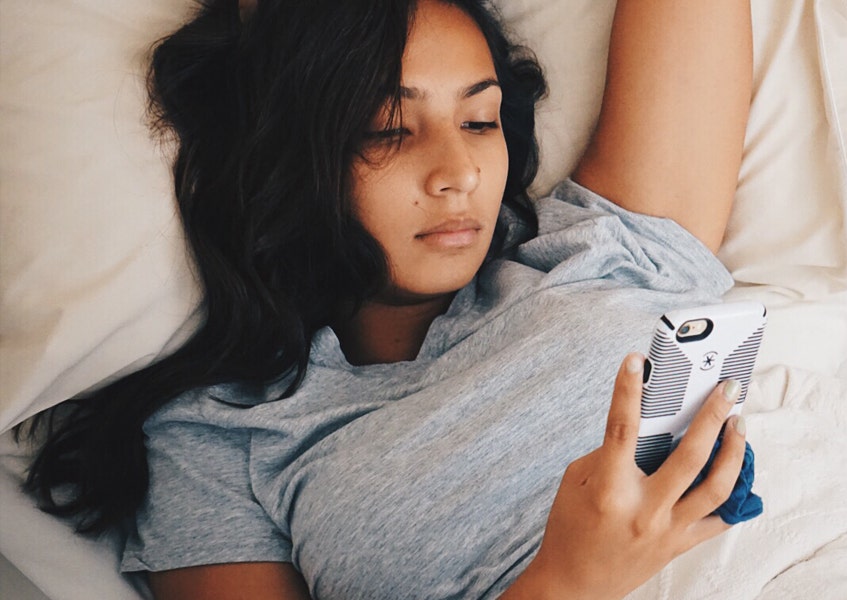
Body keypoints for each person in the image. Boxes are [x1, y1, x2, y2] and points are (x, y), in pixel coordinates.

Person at [19, 0, 753, 597]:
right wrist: (567, 584)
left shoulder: (598, 251)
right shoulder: (217, 442)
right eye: (386, 129)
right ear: (279, 161)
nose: (458, 171)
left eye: (478, 120)